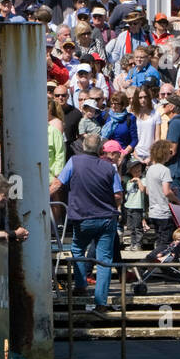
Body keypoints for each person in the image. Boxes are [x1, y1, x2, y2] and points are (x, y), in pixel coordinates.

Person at [48, 132, 123, 315]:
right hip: (106, 218)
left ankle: (81, 285)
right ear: (100, 150)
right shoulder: (110, 168)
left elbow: (58, 183)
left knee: (78, 249)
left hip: (82, 217)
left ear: (83, 147)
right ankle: (101, 301)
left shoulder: (74, 162)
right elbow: (118, 195)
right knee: (104, 259)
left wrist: (42, 196)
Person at [144, 139, 180, 253]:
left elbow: (148, 191)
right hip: (164, 212)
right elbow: (166, 192)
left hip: (153, 211)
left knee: (160, 241)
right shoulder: (165, 170)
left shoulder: (150, 169)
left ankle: (158, 268)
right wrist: (177, 200)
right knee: (165, 243)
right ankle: (145, 262)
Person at [122, 160, 147, 251]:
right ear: (131, 171)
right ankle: (133, 243)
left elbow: (142, 189)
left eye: (139, 170)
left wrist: (138, 180)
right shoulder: (128, 181)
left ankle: (138, 244)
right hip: (129, 206)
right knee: (131, 227)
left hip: (138, 206)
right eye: (135, 171)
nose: (137, 172)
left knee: (138, 227)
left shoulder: (143, 179)